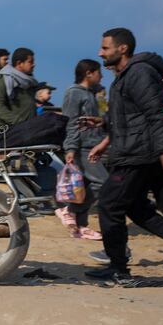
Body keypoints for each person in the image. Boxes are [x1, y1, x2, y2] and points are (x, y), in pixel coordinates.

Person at [85, 27, 163, 285]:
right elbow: (129, 116)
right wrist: (103, 128)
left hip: (138, 155)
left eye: (105, 48)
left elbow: (158, 114)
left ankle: (118, 268)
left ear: (122, 49)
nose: (100, 53)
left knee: (110, 205)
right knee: (137, 209)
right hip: (132, 151)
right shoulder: (125, 76)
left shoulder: (140, 73)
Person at [59, 58, 107, 240]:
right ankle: (70, 210)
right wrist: (70, 148)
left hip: (93, 145)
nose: (101, 76)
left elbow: (102, 116)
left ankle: (81, 226)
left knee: (84, 186)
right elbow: (70, 122)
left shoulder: (92, 93)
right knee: (103, 183)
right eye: (98, 72)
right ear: (89, 73)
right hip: (82, 147)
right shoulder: (74, 93)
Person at [0, 47, 47, 130]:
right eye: (30, 62)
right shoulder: (3, 79)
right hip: (5, 132)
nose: (33, 64)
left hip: (25, 129)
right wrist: (18, 121)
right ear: (19, 63)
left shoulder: (29, 83)